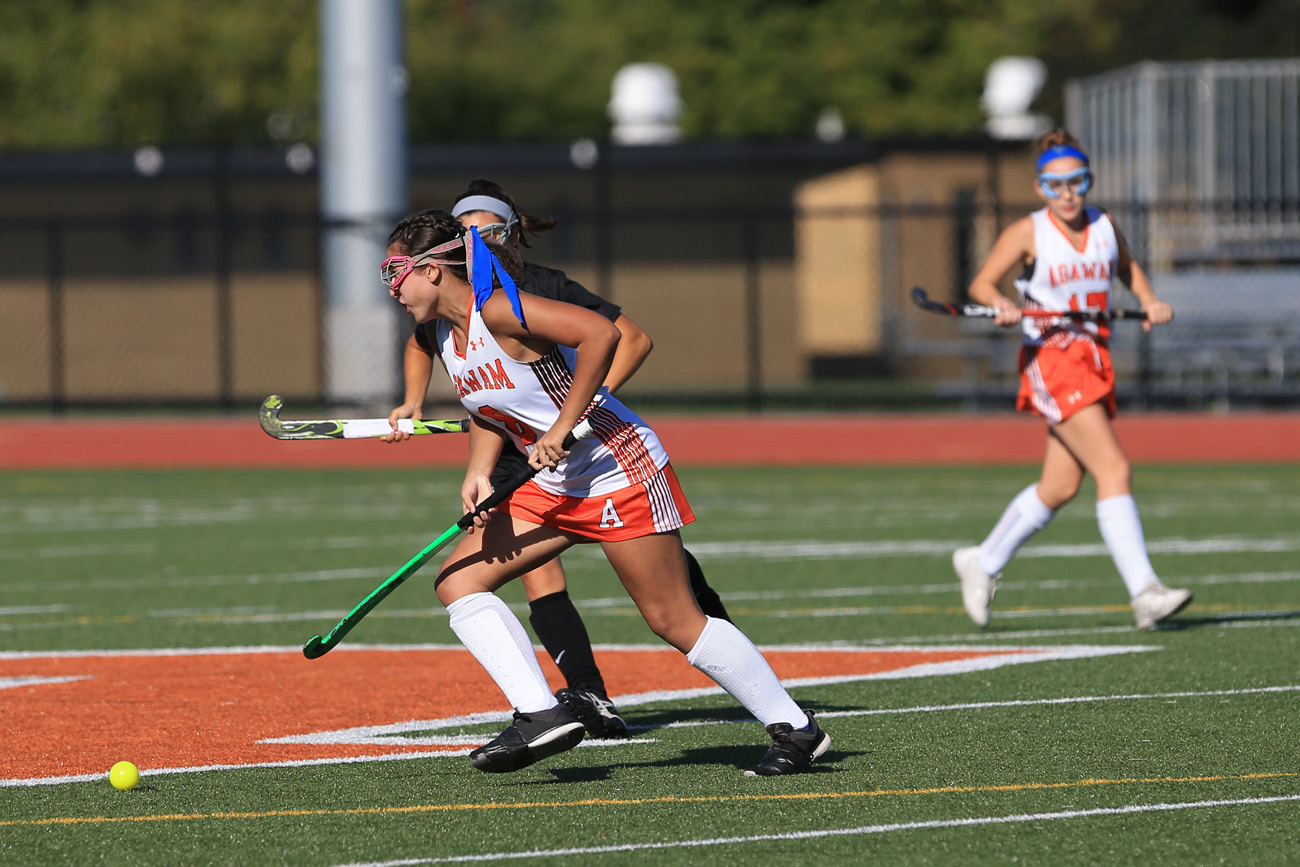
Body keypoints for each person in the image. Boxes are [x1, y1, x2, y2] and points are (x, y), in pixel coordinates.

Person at [379, 208, 830, 776]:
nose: (391, 288)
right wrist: (477, 470)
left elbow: (601, 334)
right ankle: (540, 714)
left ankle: (796, 728)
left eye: (395, 273)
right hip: (555, 482)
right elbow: (492, 408)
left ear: (434, 271)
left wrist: (563, 427)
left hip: (618, 467)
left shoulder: (497, 310)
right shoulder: (444, 335)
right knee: (459, 582)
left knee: (673, 619)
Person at [385, 181, 732, 740]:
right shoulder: (442, 314)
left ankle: (743, 667)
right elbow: (437, 357)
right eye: (465, 228)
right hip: (512, 443)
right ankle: (579, 700)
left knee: (669, 602)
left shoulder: (533, 289)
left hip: (588, 450)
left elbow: (626, 338)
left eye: (485, 229)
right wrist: (416, 403)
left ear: (507, 235)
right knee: (516, 577)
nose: (475, 240)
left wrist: (577, 414)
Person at [952, 129, 1193, 631]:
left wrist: (1149, 302)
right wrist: (999, 303)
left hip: (1093, 357)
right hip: (1052, 359)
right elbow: (981, 282)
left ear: (1089, 181)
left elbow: (1130, 271)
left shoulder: (1105, 225)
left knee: (1060, 486)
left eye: (1076, 182)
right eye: (1054, 184)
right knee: (1114, 469)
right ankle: (1145, 592)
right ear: (1040, 187)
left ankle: (984, 561)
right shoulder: (1028, 232)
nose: (1067, 194)